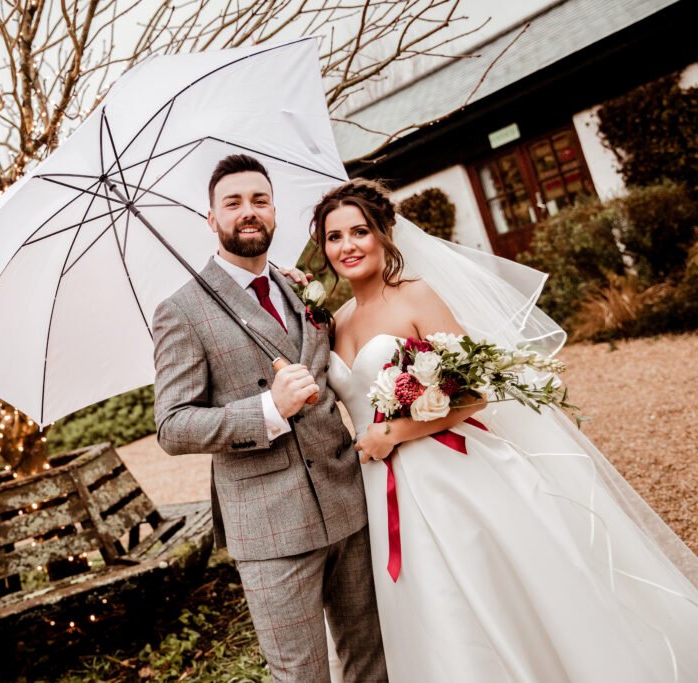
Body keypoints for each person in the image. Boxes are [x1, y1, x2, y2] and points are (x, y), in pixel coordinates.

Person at [313, 179, 698, 682]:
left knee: (494, 593)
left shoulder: (417, 296)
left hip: (449, 475)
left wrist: (397, 433)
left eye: (359, 231)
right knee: (429, 608)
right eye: (334, 237)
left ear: (385, 234)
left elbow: (476, 392)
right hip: (382, 493)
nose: (348, 246)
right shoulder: (333, 323)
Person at [152, 154, 388, 681]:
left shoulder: (295, 285)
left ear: (274, 210)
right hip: (270, 530)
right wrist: (266, 410)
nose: (248, 211)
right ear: (210, 219)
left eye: (260, 200)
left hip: (347, 503)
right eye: (232, 203)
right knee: (301, 675)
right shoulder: (181, 311)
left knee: (372, 661)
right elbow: (170, 425)